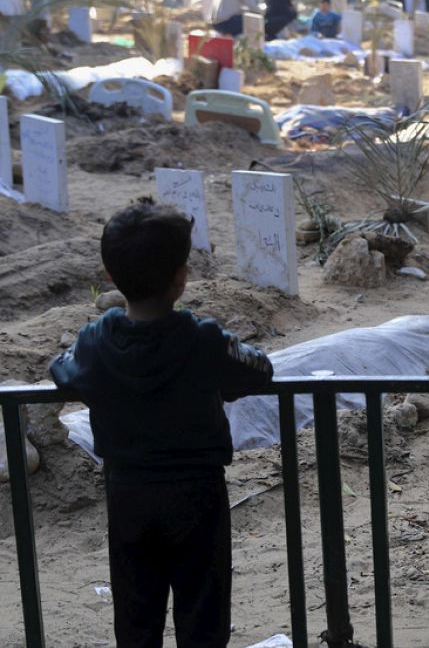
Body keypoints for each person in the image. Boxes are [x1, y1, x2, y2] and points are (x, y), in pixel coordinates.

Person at [50, 204, 274, 647]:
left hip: (128, 494)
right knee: (204, 618)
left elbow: (63, 370)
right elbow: (258, 369)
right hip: (198, 494)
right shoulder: (202, 340)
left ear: (111, 277)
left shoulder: (95, 342)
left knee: (136, 619)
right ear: (182, 276)